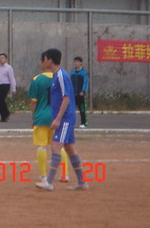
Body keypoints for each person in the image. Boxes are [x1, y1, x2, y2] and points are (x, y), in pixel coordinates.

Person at [35, 48, 89, 192]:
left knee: (55, 146)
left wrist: (58, 119)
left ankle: (49, 182)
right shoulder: (56, 75)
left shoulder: (61, 75)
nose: (43, 62)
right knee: (70, 148)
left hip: (65, 118)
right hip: (65, 117)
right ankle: (82, 182)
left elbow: (66, 98)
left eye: (45, 59)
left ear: (50, 60)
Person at [28, 62, 69, 183]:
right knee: (59, 147)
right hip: (56, 116)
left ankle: (44, 175)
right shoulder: (60, 78)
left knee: (42, 146)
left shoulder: (37, 79)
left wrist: (33, 117)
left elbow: (33, 101)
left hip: (41, 117)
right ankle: (65, 174)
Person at [0, 53, 16, 122]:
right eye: (0, 58)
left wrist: (13, 88)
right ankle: (3, 116)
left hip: (5, 85)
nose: (1, 59)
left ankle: (6, 113)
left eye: (2, 58)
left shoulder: (9, 68)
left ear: (6, 59)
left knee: (1, 100)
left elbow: (12, 78)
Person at [71, 56, 89, 128]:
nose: (76, 63)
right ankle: (71, 123)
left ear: (81, 63)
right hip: (73, 94)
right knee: (71, 109)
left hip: (80, 94)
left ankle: (84, 123)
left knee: (82, 109)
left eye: (77, 62)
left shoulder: (84, 72)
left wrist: (83, 91)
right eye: (75, 62)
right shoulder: (72, 72)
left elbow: (85, 82)